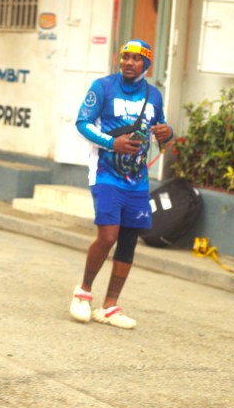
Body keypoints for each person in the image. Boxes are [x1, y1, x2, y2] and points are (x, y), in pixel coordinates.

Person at [69, 39, 174, 329]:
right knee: (108, 236)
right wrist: (112, 143)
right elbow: (82, 123)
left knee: (128, 240)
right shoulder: (103, 87)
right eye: (125, 56)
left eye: (136, 59)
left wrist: (167, 132)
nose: (128, 62)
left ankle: (110, 306)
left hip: (138, 180)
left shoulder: (154, 96)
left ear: (146, 64)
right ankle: (83, 292)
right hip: (105, 174)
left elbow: (160, 130)